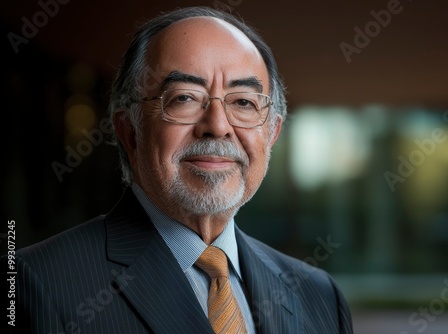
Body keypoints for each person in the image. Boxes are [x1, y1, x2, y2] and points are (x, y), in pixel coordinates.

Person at [3, 6, 353, 334]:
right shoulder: (32, 283)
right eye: (184, 98)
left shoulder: (320, 296)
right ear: (129, 130)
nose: (217, 126)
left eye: (243, 102)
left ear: (272, 132)